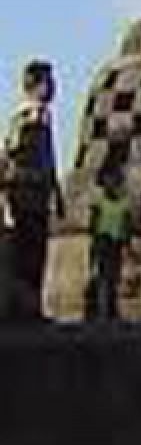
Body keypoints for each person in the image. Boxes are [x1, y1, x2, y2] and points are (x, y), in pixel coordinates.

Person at [3, 60, 64, 320]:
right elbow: (16, 151)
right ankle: (25, 309)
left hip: (35, 192)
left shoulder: (40, 115)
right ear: (36, 86)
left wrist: (55, 189)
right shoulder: (30, 116)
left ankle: (30, 307)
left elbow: (46, 156)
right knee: (29, 253)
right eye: (49, 82)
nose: (54, 88)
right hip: (28, 193)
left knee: (33, 253)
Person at [85, 164, 133, 321]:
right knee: (101, 275)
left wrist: (127, 243)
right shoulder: (99, 200)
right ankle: (97, 308)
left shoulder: (124, 202)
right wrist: (93, 242)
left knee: (114, 276)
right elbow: (93, 222)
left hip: (116, 241)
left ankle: (111, 308)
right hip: (102, 239)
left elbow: (127, 223)